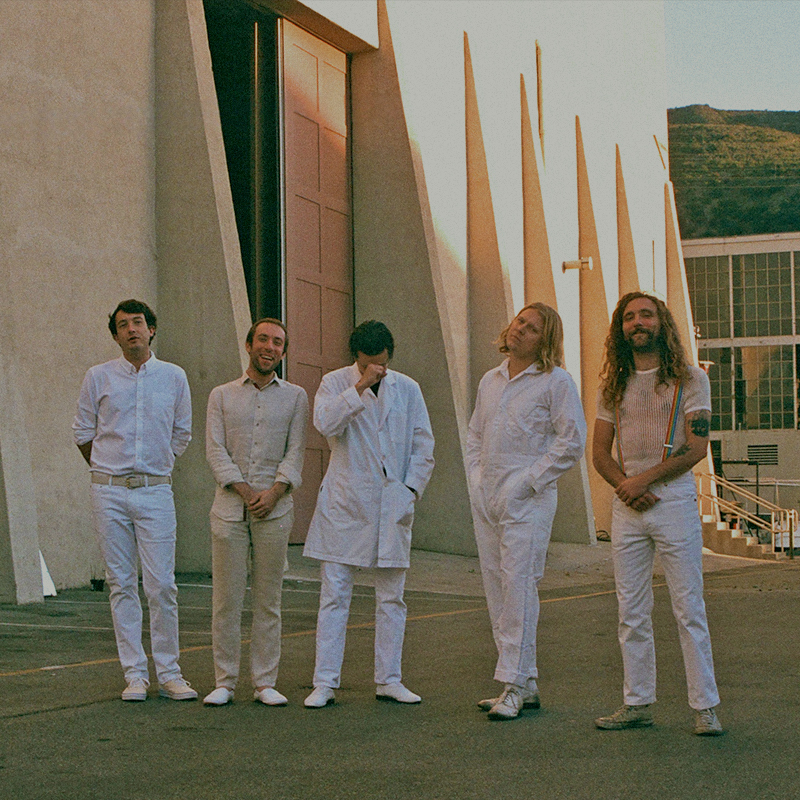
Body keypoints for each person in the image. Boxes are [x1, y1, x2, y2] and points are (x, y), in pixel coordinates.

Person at [592, 291, 723, 736]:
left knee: (688, 607)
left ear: (661, 322)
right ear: (621, 329)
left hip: (673, 500)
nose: (637, 322)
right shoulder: (613, 384)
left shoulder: (690, 379)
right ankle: (637, 703)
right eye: (629, 317)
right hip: (628, 505)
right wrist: (626, 486)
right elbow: (599, 452)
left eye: (646, 315)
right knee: (631, 610)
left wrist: (643, 481)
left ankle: (705, 708)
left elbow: (696, 447)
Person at [302, 320, 435, 708]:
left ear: (389, 355)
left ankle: (389, 679)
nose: (376, 370)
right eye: (366, 364)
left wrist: (410, 491)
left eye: (381, 363)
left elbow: (423, 445)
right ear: (355, 358)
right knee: (334, 594)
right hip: (345, 504)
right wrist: (359, 387)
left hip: (392, 503)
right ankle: (325, 682)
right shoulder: (334, 383)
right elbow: (324, 423)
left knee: (392, 597)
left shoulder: (407, 388)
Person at [467, 303, 586, 721]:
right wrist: (476, 480)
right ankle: (524, 680)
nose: (520, 329)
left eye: (532, 328)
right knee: (496, 587)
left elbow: (571, 441)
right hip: (487, 495)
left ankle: (514, 684)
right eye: (520, 321)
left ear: (545, 341)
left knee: (519, 586)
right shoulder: (490, 380)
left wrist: (528, 481)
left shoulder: (556, 382)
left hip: (528, 499)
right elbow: (475, 435)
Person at [73, 299, 196, 702]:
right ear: (115, 335)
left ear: (151, 329)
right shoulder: (98, 377)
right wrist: (108, 469)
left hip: (155, 491)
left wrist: (154, 466)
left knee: (162, 586)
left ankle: (171, 674)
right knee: (121, 584)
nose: (131, 330)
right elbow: (83, 432)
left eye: (138, 322)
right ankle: (135, 676)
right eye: (123, 325)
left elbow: (181, 433)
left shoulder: (174, 377)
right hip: (108, 491)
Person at [203, 318, 308, 707]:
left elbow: (295, 451)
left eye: (278, 342)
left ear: (283, 352)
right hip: (230, 510)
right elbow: (215, 450)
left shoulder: (296, 397)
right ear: (249, 345)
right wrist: (247, 492)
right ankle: (225, 682)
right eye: (263, 339)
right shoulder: (221, 395)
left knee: (268, 600)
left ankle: (265, 682)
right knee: (226, 601)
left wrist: (275, 493)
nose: (269, 347)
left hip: (275, 512)